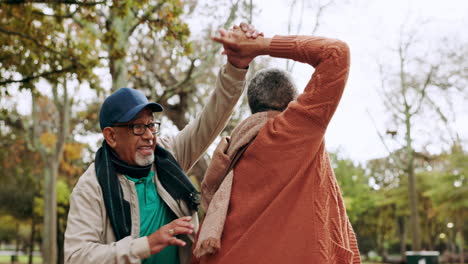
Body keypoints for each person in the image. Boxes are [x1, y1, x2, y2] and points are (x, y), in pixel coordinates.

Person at [64, 24, 260, 264]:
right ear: (111, 136)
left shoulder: (167, 155)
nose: (148, 135)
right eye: (137, 127)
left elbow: (210, 120)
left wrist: (236, 67)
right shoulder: (91, 187)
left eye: (150, 125)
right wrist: (146, 245)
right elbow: (76, 257)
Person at [192, 28, 361, 263]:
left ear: (253, 106)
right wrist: (260, 46)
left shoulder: (230, 152)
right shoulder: (299, 129)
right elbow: (336, 52)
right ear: (292, 103)